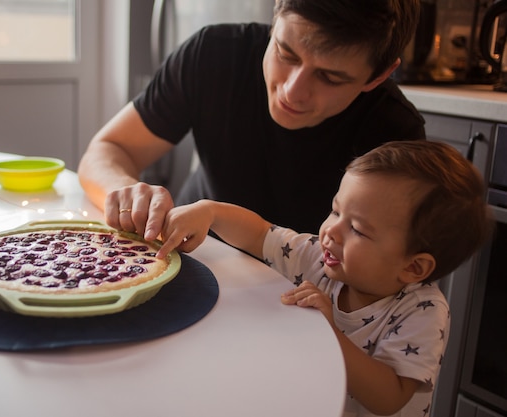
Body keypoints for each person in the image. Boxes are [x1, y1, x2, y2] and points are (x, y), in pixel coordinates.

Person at [155, 140, 494, 417]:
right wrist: (210, 211)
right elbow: (259, 234)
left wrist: (326, 331)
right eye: (335, 210)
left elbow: (389, 399)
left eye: (357, 228)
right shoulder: (320, 258)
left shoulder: (422, 312)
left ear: (414, 268)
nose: (331, 229)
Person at [78, 0, 426, 241]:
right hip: (193, 254)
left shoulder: (395, 135)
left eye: (330, 78)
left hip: (301, 294)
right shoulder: (214, 54)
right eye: (285, 53)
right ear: (276, 17)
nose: (292, 91)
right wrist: (124, 192)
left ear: (378, 76)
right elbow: (108, 149)